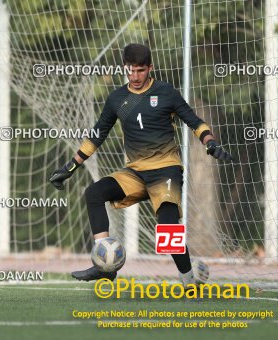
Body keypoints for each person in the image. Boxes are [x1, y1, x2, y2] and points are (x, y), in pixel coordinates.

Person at [49, 43, 232, 286]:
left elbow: (195, 122)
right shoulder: (117, 99)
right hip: (134, 173)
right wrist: (69, 167)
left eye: (140, 71)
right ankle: (104, 265)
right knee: (94, 193)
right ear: (124, 68)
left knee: (167, 229)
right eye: (130, 70)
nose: (135, 76)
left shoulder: (166, 92)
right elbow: (96, 136)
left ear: (150, 68)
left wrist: (210, 142)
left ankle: (188, 280)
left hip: (166, 169)